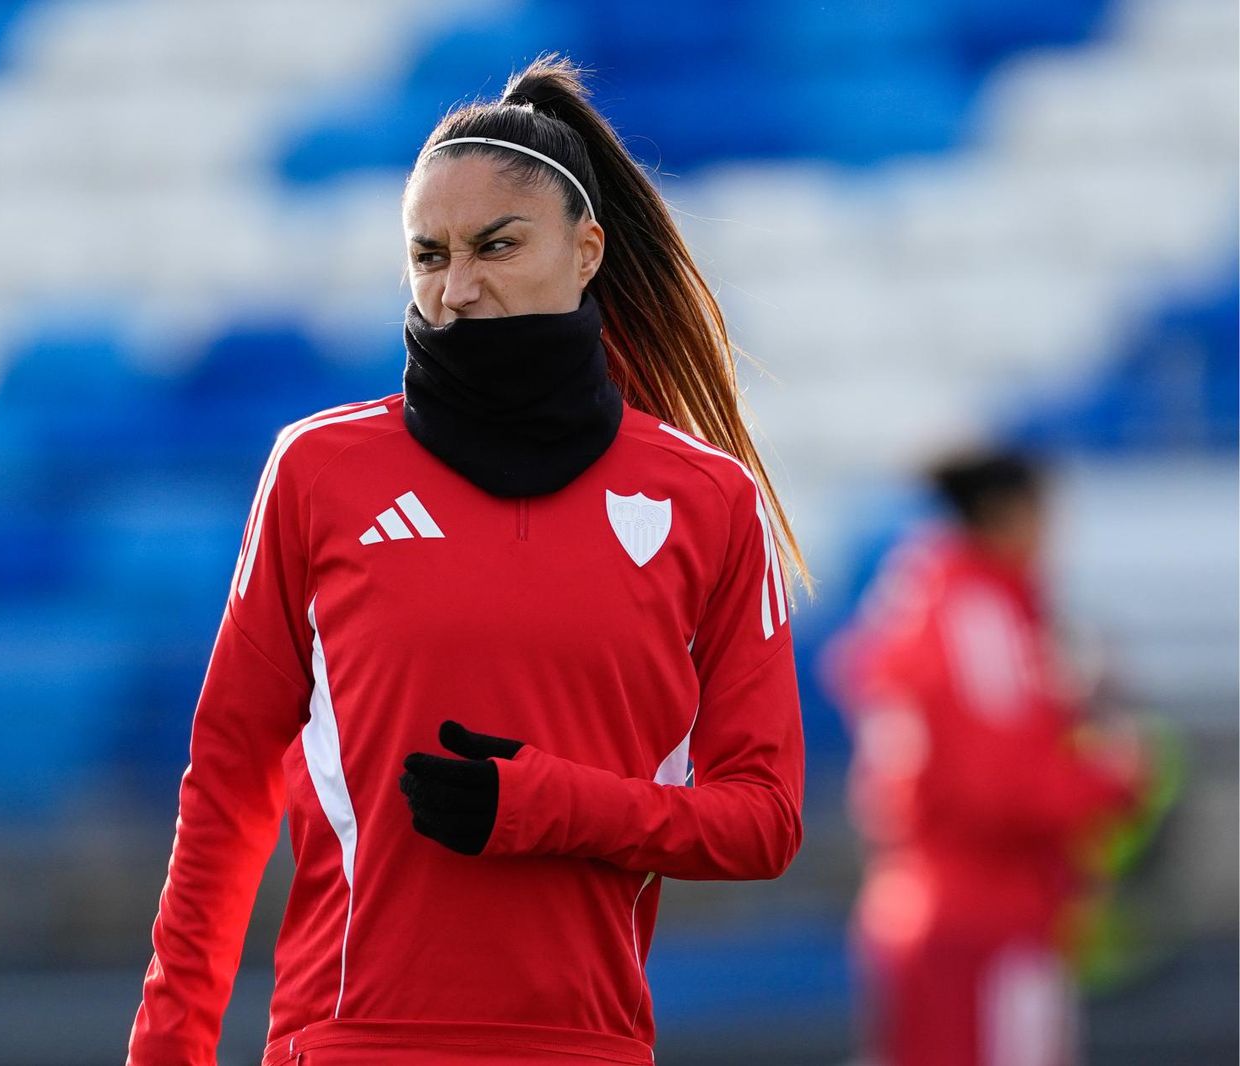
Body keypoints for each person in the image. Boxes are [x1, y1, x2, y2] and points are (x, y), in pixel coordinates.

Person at [127, 54, 809, 1066]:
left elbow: (765, 820)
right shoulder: (316, 471)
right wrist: (166, 1048)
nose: (456, 287)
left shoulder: (705, 500)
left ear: (586, 253)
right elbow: (226, 786)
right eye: (428, 254)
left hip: (585, 1047)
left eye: (495, 246)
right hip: (347, 1042)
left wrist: (549, 803)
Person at [823, 449, 1147, 1066]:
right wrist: (1112, 778)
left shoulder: (926, 601)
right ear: (1008, 513)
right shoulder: (978, 617)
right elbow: (999, 786)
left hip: (931, 905)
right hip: (986, 920)